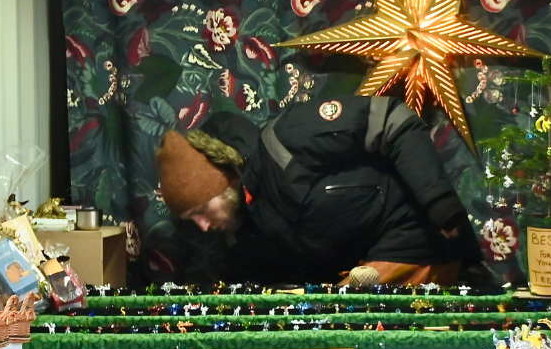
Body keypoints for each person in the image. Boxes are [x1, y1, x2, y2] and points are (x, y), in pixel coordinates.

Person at [155, 94, 478, 285]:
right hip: (362, 267)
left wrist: (441, 204)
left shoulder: (289, 137)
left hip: (418, 244)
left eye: (199, 210)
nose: (203, 226)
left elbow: (392, 119)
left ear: (221, 180)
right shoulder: (249, 227)